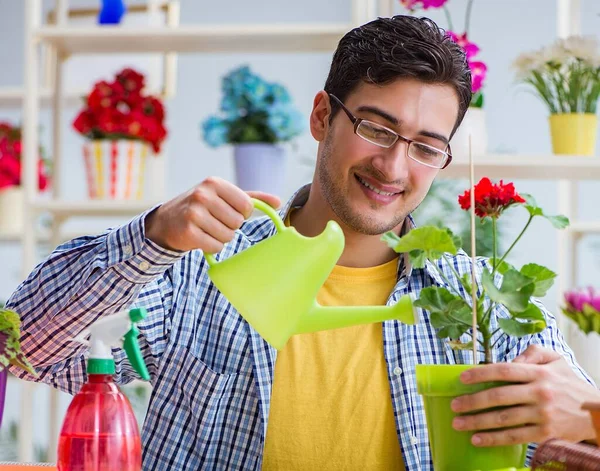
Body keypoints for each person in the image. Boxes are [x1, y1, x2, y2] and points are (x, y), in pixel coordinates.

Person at [7, 14, 599, 471]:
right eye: (376, 127)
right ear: (322, 117)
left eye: (424, 146)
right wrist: (154, 235)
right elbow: (23, 345)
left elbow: (572, 438)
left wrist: (590, 418)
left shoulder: (480, 303)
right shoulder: (200, 268)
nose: (394, 166)